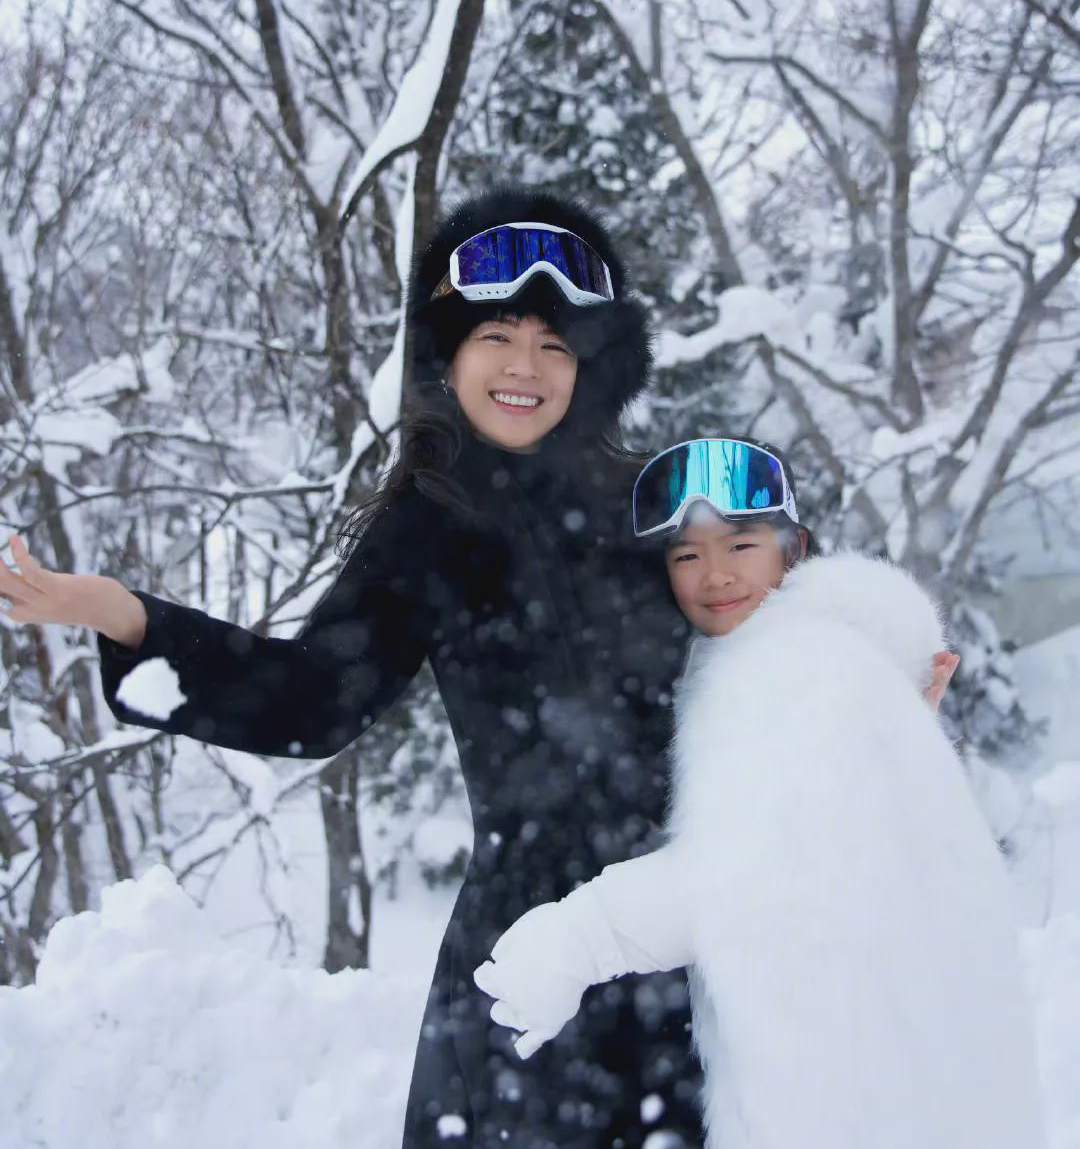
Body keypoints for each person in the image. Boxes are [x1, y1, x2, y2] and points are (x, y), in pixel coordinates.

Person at [0, 187, 704, 1149]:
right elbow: (312, 699)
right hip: (527, 940)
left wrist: (859, 684)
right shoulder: (430, 523)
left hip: (693, 916)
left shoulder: (662, 503)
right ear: (446, 357)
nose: (525, 368)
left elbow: (756, 625)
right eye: (497, 336)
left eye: (555, 345)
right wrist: (124, 617)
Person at [474, 437, 1045, 1149]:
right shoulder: (810, 658)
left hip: (847, 1094)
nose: (714, 575)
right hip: (896, 1077)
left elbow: (740, 876)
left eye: (740, 544)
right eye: (686, 555)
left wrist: (583, 936)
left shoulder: (798, 670)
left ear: (794, 548)